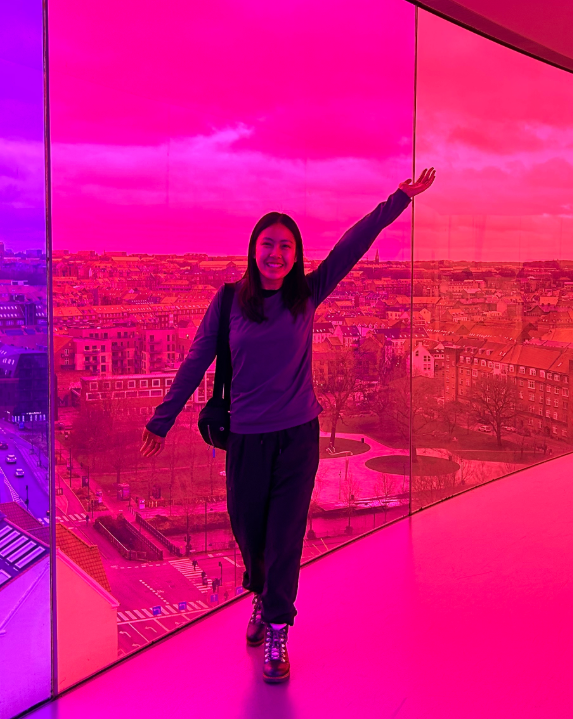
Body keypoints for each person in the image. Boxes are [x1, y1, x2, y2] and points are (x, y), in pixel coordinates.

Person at [140, 168, 436, 683]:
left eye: (286, 246)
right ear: (254, 249)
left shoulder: (307, 294)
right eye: (267, 244)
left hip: (299, 435)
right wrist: (161, 419)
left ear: (296, 254)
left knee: (286, 537)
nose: (276, 253)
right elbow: (196, 359)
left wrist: (398, 200)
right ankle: (262, 593)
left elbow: (351, 245)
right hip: (248, 440)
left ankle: (277, 624)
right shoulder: (229, 300)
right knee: (249, 533)